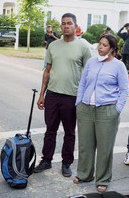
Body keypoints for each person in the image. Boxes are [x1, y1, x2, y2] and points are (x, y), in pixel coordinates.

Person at [34, 13, 92, 177]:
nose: (66, 26)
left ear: (76, 26)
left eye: (69, 23)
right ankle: (46, 160)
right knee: (50, 130)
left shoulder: (83, 47)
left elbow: (89, 74)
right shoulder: (53, 46)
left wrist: (85, 98)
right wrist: (42, 94)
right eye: (63, 24)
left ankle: (66, 163)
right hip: (52, 94)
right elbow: (47, 71)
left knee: (69, 132)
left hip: (72, 96)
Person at [74, 34, 129, 193]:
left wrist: (116, 109)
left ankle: (103, 179)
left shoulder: (119, 66)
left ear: (112, 49)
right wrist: (79, 103)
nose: (100, 47)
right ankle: (84, 174)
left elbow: (124, 90)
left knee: (105, 148)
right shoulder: (91, 62)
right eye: (100, 44)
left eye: (105, 45)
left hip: (107, 110)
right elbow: (82, 83)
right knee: (85, 145)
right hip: (85, 109)